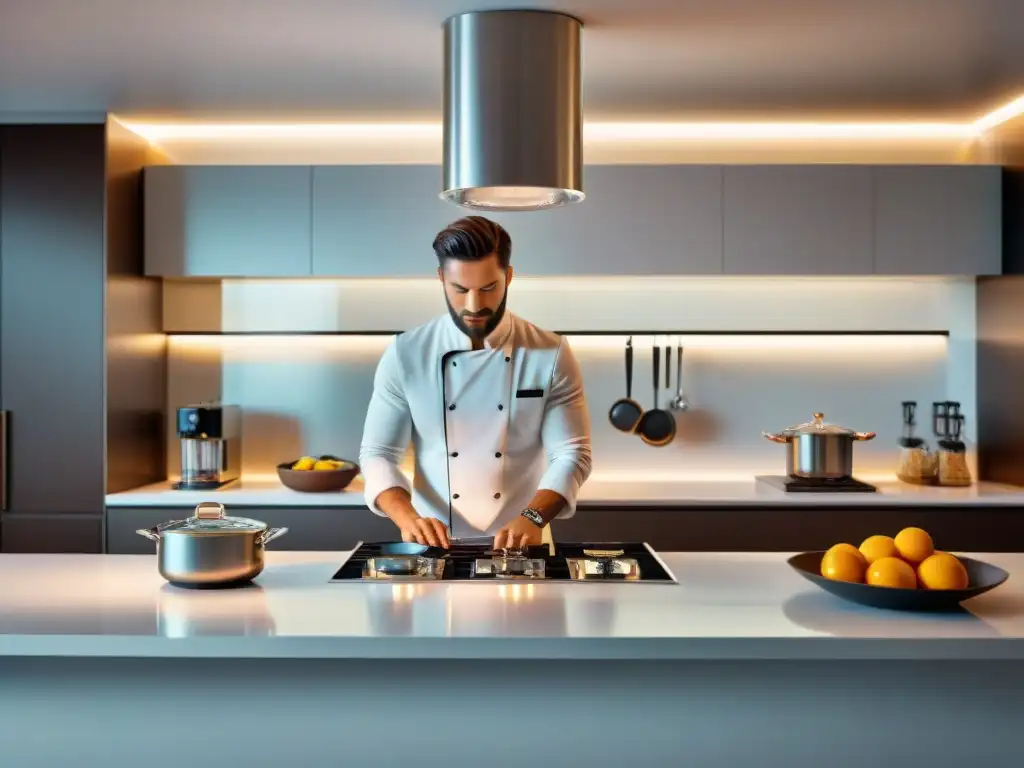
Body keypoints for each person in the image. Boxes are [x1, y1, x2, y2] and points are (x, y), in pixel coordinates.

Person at [359, 215, 592, 550]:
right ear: (441, 278)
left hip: (525, 544)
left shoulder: (550, 353)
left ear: (508, 277)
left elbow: (572, 453)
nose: (474, 305)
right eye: (459, 289)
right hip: (432, 546)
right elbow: (378, 453)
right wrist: (407, 518)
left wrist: (534, 517)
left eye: (488, 288)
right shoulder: (405, 354)